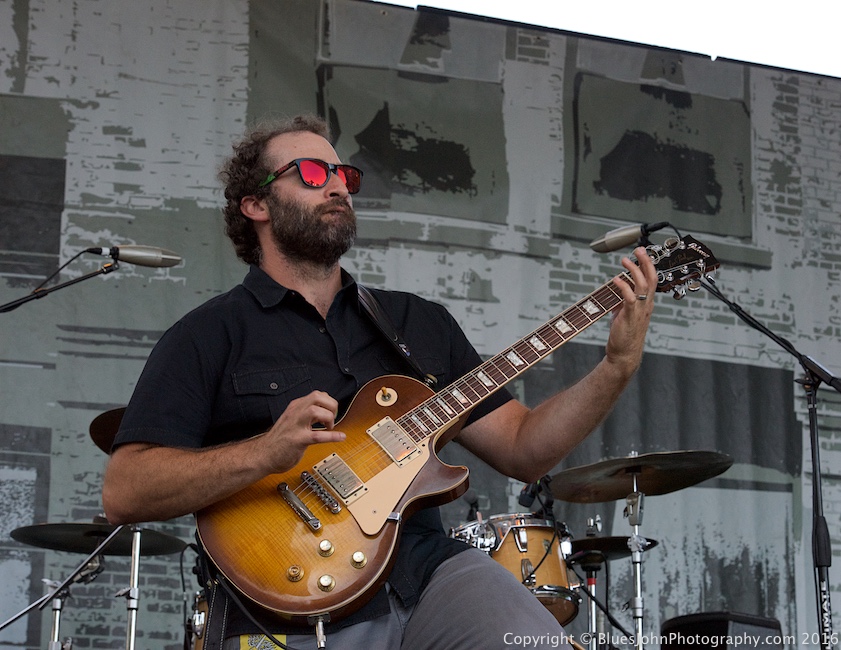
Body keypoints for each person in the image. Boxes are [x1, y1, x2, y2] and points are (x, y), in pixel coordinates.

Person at [102, 113, 657, 650]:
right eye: (312, 174)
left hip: (427, 572)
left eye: (344, 175)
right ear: (256, 205)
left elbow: (523, 448)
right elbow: (125, 492)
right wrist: (264, 453)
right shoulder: (206, 335)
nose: (337, 187)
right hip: (291, 599)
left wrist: (617, 366)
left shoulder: (418, 323)